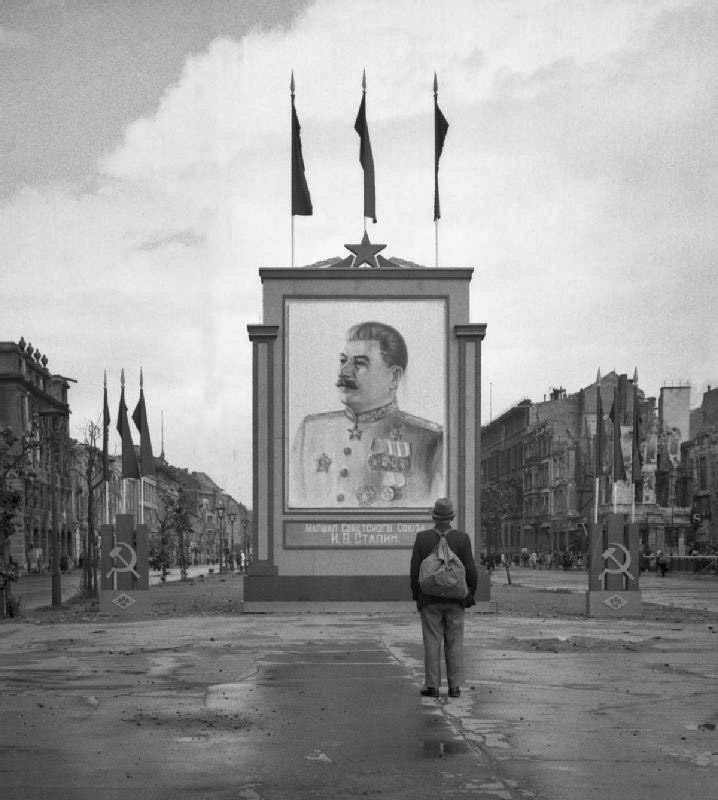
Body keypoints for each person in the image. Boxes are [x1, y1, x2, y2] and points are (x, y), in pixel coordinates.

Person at [290, 321, 443, 508]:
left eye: (360, 363)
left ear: (394, 377)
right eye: (343, 360)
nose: (344, 371)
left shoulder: (430, 440)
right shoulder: (310, 431)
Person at [410, 498, 478, 699]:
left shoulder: (422, 538)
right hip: (456, 599)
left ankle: (432, 686)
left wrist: (418, 597)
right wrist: (469, 595)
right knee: (455, 641)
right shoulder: (462, 538)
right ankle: (454, 687)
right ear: (452, 518)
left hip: (429, 600)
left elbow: (414, 571)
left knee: (432, 642)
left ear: (434, 517)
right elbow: (471, 571)